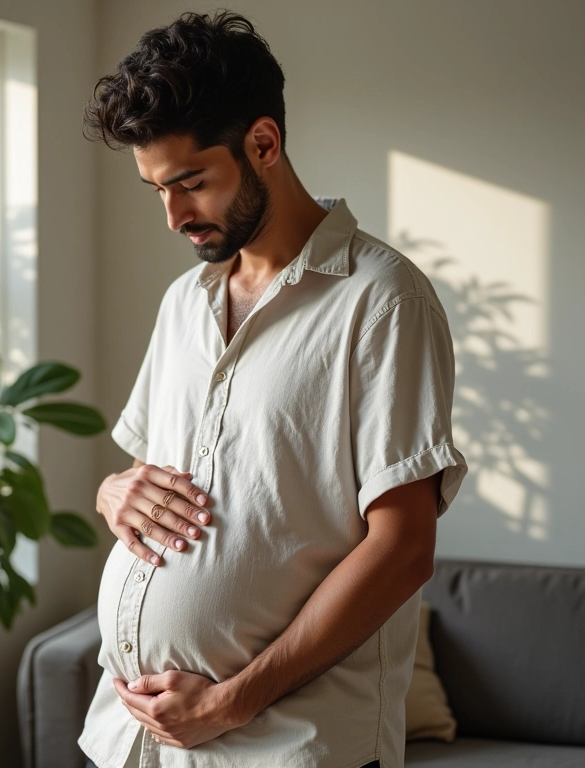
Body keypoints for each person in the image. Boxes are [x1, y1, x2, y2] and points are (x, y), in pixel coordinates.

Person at [78, 10, 467, 768]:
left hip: (282, 747)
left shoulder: (381, 301)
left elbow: (403, 547)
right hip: (134, 740)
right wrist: (111, 492)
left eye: (191, 182)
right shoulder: (185, 302)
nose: (173, 216)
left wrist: (230, 702)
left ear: (264, 143)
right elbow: (155, 475)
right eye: (157, 189)